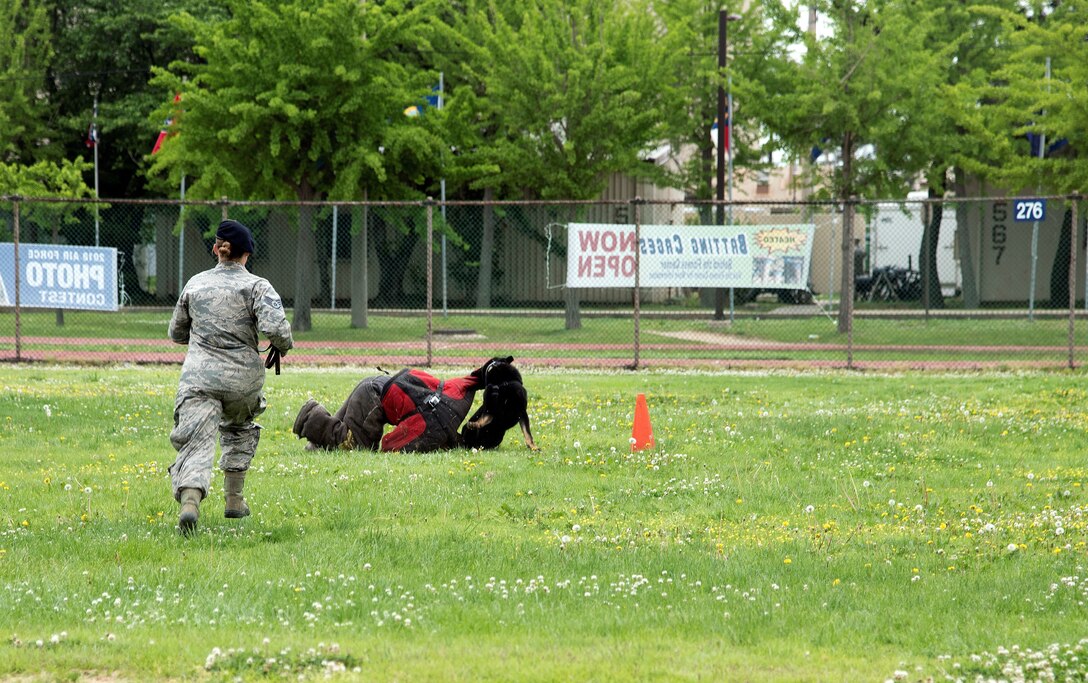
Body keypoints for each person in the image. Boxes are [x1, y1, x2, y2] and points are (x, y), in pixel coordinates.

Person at [167, 219, 293, 535]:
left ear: (216, 249)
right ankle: (234, 499)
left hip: (199, 378)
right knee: (240, 426)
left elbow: (176, 332)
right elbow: (277, 330)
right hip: (243, 382)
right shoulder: (257, 286)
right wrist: (281, 346)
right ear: (246, 255)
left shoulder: (194, 283)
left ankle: (190, 502)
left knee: (196, 439)